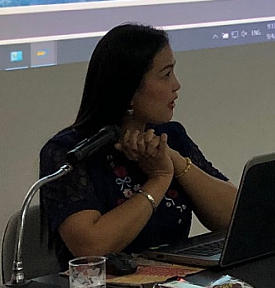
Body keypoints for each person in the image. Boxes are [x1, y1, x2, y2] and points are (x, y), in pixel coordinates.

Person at [39, 24, 238, 266]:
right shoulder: (69, 152)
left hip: (174, 283)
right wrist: (160, 178)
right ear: (130, 90)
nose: (176, 85)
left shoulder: (170, 136)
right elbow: (91, 248)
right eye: (166, 74)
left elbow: (235, 217)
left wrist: (174, 160)